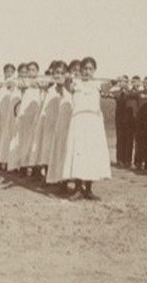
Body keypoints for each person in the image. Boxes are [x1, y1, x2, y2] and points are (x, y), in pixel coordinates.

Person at [61, 57, 111, 200]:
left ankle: (88, 189)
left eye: (90, 69)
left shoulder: (98, 84)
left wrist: (116, 81)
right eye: (85, 69)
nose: (87, 72)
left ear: (94, 71)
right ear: (81, 70)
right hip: (79, 122)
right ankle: (77, 188)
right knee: (79, 154)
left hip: (93, 123)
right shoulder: (75, 84)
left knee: (92, 155)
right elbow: (66, 85)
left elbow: (109, 86)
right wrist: (67, 78)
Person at [32, 61, 67, 176]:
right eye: (57, 72)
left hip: (61, 123)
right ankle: (46, 175)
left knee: (59, 151)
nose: (59, 75)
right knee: (47, 148)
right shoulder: (48, 87)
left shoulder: (67, 88)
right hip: (49, 123)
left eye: (62, 73)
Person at [0, 63, 25, 169]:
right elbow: (9, 83)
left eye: (25, 71)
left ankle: (19, 164)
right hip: (13, 110)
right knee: (9, 134)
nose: (23, 73)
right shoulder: (15, 80)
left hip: (22, 111)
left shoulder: (31, 82)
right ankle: (5, 160)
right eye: (21, 71)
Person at [0, 63, 16, 166]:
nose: (9, 73)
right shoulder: (1, 83)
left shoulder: (14, 82)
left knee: (8, 134)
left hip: (10, 112)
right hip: (1, 111)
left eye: (11, 71)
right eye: (7, 71)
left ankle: (7, 160)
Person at [134, 76, 147, 170]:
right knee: (139, 143)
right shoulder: (139, 93)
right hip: (140, 122)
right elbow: (130, 94)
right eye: (145, 83)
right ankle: (138, 162)